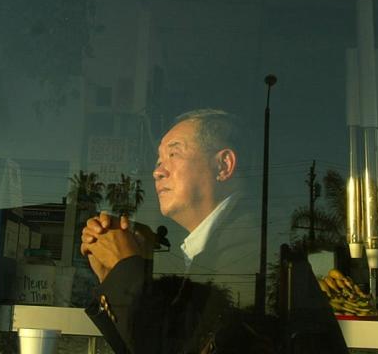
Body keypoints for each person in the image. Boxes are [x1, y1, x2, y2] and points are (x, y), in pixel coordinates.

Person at [80, 109, 262, 353]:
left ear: (223, 165)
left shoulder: (250, 248)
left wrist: (125, 266)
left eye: (174, 154)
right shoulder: (207, 249)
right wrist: (111, 274)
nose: (157, 171)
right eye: (158, 161)